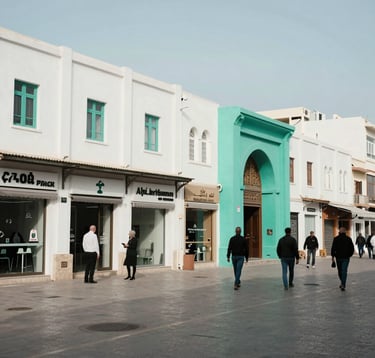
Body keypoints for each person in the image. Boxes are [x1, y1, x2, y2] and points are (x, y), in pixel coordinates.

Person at [331, 227, 354, 291]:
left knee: (340, 271)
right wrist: (349, 255)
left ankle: (343, 284)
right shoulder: (348, 239)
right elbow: (352, 249)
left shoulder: (336, 239)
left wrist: (333, 257)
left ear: (340, 232)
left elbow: (333, 248)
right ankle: (343, 283)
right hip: (344, 258)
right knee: (343, 271)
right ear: (345, 232)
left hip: (339, 257)